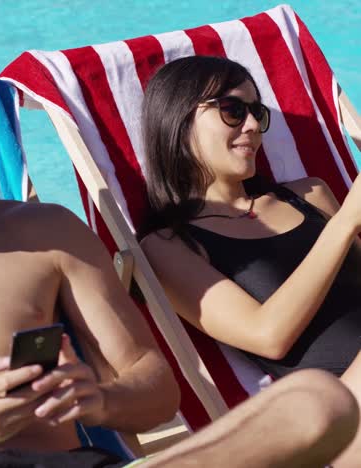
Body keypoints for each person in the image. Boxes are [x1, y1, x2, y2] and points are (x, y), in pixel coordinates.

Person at [0, 37, 356, 468]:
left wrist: (101, 399)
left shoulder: (45, 231)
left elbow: (156, 392)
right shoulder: (173, 242)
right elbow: (267, 334)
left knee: (316, 403)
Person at [140, 55, 361, 467]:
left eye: (256, 112)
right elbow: (267, 335)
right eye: (232, 110)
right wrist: (346, 221)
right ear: (177, 118)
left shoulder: (310, 194)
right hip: (339, 422)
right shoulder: (168, 245)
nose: (252, 126)